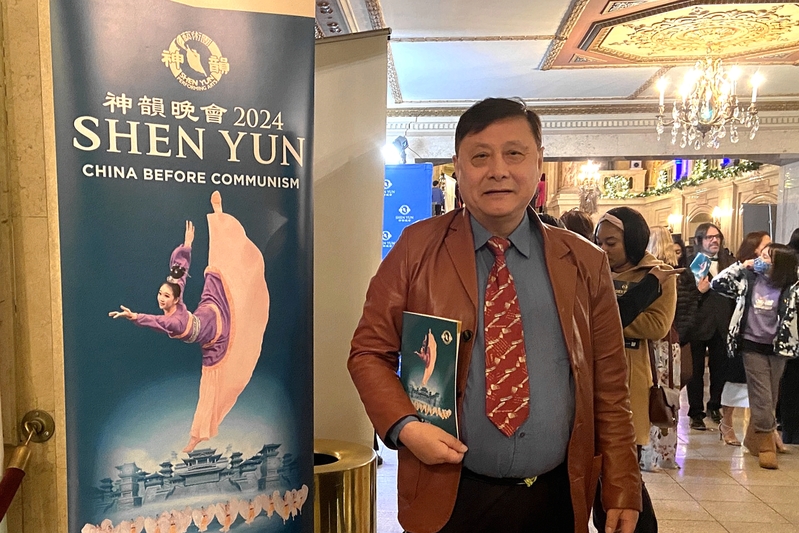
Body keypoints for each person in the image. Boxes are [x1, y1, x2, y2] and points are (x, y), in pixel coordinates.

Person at [348, 98, 641, 533]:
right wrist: (406, 427)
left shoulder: (584, 262)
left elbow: (611, 388)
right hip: (449, 494)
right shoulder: (416, 249)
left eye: (514, 153)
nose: (498, 170)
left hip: (555, 497)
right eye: (480, 156)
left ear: (539, 162)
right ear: (458, 167)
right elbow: (369, 353)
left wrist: (622, 485)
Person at [109, 191, 270, 453]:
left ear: (174, 297)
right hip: (215, 340)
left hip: (213, 308)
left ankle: (218, 216)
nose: (161, 299)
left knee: (218, 269)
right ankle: (196, 438)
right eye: (160, 295)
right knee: (211, 391)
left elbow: (178, 277)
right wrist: (134, 316)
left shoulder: (177, 306)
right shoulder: (171, 319)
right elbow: (156, 318)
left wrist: (187, 244)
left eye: (165, 295)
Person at [594, 209, 676, 533]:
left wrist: (604, 319)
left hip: (631, 374)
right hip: (591, 372)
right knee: (595, 467)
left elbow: (657, 326)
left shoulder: (659, 274)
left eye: (611, 243)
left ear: (632, 240)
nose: (603, 249)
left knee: (624, 465)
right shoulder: (593, 268)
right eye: (599, 241)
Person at [711, 243, 799, 468]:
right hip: (751, 345)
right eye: (761, 255)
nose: (761, 259)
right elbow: (717, 283)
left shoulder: (791, 287)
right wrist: (741, 266)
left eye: (767, 257)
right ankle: (767, 444)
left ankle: (752, 438)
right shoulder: (749, 279)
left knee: (770, 396)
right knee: (761, 395)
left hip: (778, 348)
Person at [717, 232, 772, 446]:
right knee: (735, 381)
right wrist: (742, 266)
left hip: (766, 337)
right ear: (755, 249)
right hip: (742, 335)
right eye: (766, 246)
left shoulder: (773, 272)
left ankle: (763, 432)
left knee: (764, 390)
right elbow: (718, 284)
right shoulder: (743, 272)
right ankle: (727, 422)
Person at [684, 223, 736, 430]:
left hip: (722, 325)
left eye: (717, 237)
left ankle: (715, 406)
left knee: (720, 370)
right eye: (709, 237)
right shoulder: (690, 264)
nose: (714, 240)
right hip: (697, 325)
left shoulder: (729, 263)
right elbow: (684, 296)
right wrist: (699, 291)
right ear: (699, 241)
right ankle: (696, 412)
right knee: (695, 372)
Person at [639, 226, 682, 471]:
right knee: (667, 397)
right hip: (670, 340)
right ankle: (666, 454)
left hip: (652, 343)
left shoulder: (649, 274)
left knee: (651, 393)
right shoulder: (676, 272)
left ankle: (649, 455)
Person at [780, 228, 799, 443]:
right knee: (791, 383)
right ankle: (790, 431)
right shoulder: (790, 268)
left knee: (789, 384)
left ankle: (789, 430)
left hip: (790, 336)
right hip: (791, 334)